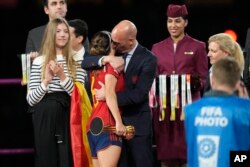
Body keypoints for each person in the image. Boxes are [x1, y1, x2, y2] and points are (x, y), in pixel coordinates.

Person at [82, 20, 157, 167]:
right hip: (112, 126)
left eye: (117, 42)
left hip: (136, 126)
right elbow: (85, 62)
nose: (113, 44)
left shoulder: (148, 59)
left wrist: (109, 96)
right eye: (113, 42)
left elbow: (139, 94)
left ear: (130, 40)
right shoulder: (112, 56)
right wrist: (107, 58)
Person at [150, 4, 208, 167]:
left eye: (177, 21)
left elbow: (203, 78)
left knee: (188, 154)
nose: (173, 25)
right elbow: (153, 78)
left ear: (185, 23)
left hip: (188, 107)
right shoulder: (157, 48)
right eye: (169, 21)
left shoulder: (198, 46)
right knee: (166, 156)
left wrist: (189, 83)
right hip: (165, 108)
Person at [26, 17, 86, 167]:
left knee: (67, 157)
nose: (62, 34)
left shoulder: (76, 62)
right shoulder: (40, 61)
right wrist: (46, 81)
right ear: (50, 34)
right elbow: (31, 100)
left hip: (68, 114)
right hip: (44, 114)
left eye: (66, 31)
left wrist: (62, 76)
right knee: (46, 158)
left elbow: (78, 96)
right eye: (58, 31)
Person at [184, 57, 250, 167]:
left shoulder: (190, 110)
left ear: (212, 80)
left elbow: (192, 150)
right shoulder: (245, 109)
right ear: (238, 83)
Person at [86, 30, 127, 167]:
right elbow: (110, 94)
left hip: (93, 126)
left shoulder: (94, 69)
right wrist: (119, 122)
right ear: (113, 45)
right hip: (107, 125)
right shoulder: (112, 66)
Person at [204, 33, 249, 98]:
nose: (208, 54)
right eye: (209, 50)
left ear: (226, 53)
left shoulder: (235, 75)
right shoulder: (211, 71)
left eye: (213, 51)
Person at [68, 19, 92, 104]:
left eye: (67, 34)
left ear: (79, 39)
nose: (63, 36)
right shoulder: (57, 58)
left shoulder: (92, 62)